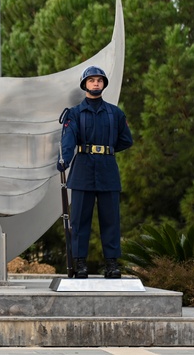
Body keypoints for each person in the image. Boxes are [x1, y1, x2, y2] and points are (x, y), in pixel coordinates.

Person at [57, 65, 133, 279]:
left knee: (110, 219)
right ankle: (80, 263)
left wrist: (106, 149)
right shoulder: (74, 113)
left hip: (108, 169)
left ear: (103, 84)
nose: (96, 83)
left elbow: (127, 140)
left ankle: (111, 264)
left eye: (99, 80)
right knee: (80, 220)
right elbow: (69, 140)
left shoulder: (115, 113)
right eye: (91, 80)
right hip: (82, 169)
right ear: (85, 85)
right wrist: (64, 158)